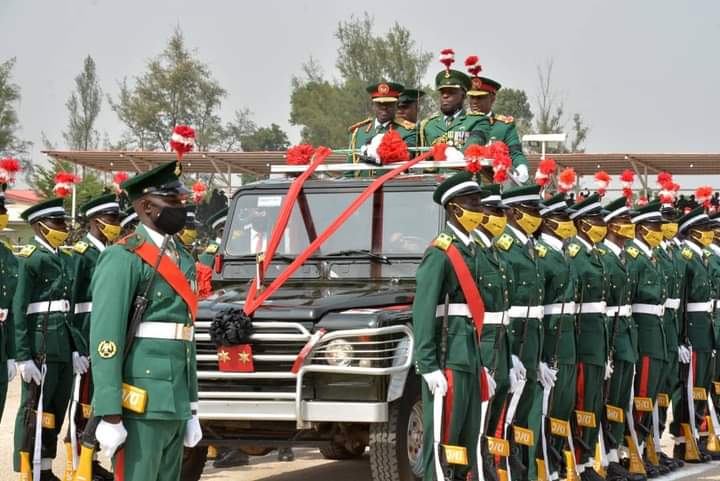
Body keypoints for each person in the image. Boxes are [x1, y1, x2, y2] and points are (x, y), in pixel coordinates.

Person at [90, 161, 202, 481]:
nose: (181, 207)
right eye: (173, 200)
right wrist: (109, 412)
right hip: (141, 399)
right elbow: (106, 339)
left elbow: (185, 338)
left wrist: (191, 406)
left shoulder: (182, 257)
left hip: (175, 399)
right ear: (148, 206)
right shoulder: (123, 257)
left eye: (181, 200)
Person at [413, 170, 491, 481]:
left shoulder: (474, 249)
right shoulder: (440, 252)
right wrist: (427, 365)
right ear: (454, 208)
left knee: (466, 439)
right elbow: (423, 310)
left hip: (469, 355)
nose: (479, 210)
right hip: (448, 358)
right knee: (442, 439)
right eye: (473, 204)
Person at [12, 197, 80, 480]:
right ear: (40, 226)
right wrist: (22, 356)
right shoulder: (31, 259)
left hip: (62, 343)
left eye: (64, 222)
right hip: (40, 344)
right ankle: (27, 468)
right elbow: (19, 309)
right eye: (58, 223)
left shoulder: (65, 257)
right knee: (33, 408)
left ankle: (46, 465)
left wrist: (76, 348)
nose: (64, 228)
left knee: (55, 407)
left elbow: (69, 308)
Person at [69, 193, 123, 481]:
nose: (115, 223)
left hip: (108, 338)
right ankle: (81, 462)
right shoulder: (82, 254)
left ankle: (95, 459)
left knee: (102, 401)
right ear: (94, 221)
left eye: (116, 218)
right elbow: (71, 304)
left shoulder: (113, 251)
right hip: (88, 334)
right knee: (84, 403)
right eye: (110, 219)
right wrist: (77, 345)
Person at [494, 184, 545, 481]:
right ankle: (503, 468)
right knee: (506, 413)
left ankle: (521, 468)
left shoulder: (529, 246)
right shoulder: (505, 246)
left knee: (524, 410)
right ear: (513, 212)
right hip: (515, 338)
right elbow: (504, 305)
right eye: (531, 210)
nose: (536, 216)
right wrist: (509, 352)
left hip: (532, 339)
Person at [532, 193, 578, 481]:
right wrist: (541, 356)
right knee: (544, 408)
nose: (568, 223)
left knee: (562, 405)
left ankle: (556, 458)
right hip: (549, 339)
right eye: (562, 218)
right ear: (548, 222)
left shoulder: (565, 252)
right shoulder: (541, 254)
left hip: (567, 339)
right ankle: (542, 464)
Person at [596, 196, 643, 481]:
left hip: (626, 331)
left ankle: (616, 453)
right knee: (609, 397)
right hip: (611, 330)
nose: (629, 225)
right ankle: (606, 456)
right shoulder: (603, 255)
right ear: (611, 225)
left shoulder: (625, 257)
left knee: (622, 397)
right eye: (624, 221)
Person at [471, 183, 513, 480]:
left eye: (501, 212)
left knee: (495, 409)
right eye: (494, 211)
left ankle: (486, 461)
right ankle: (474, 469)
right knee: (478, 412)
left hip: (500, 342)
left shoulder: (495, 252)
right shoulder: (473, 252)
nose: (500, 217)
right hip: (482, 342)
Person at [566, 193, 609, 481]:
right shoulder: (576, 255)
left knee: (593, 402)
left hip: (597, 340)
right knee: (581, 403)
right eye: (596, 220)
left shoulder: (594, 254)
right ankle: (577, 462)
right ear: (582, 224)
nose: (601, 224)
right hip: (582, 340)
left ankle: (586, 462)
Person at [671, 206, 716, 462]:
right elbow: (682, 302)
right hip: (692, 330)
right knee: (688, 386)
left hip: (705, 327)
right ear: (693, 231)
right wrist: (681, 337)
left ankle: (697, 436)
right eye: (705, 229)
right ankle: (683, 440)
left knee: (701, 387)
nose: (710, 233)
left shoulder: (702, 256)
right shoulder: (686, 257)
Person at [655, 205, 686, 470]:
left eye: (673, 221)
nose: (669, 226)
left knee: (666, 388)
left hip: (671, 325)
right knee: (652, 391)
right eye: (665, 221)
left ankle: (656, 445)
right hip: (657, 325)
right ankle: (647, 447)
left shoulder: (674, 252)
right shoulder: (653, 253)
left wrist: (682, 336)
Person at [420, 51, 490, 155]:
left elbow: (476, 141)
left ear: (463, 96)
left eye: (451, 92)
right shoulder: (428, 125)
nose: (445, 96)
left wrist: (457, 156)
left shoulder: (477, 121)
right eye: (442, 92)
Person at [465, 75, 529, 183]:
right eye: (472, 97)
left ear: (492, 98)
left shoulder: (504, 126)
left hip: (492, 184)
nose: (474, 101)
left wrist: (521, 167)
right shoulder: (461, 123)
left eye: (480, 97)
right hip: (464, 182)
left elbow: (515, 153)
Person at [348, 82, 416, 164]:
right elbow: (350, 167)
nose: (384, 107)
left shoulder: (408, 132)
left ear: (396, 105)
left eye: (389, 104)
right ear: (372, 105)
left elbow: (407, 158)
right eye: (379, 104)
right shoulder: (358, 133)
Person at [0, 186, 18, 423]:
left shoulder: (7, 255)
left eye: (4, 210)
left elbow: (11, 310)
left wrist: (12, 354)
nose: (3, 215)